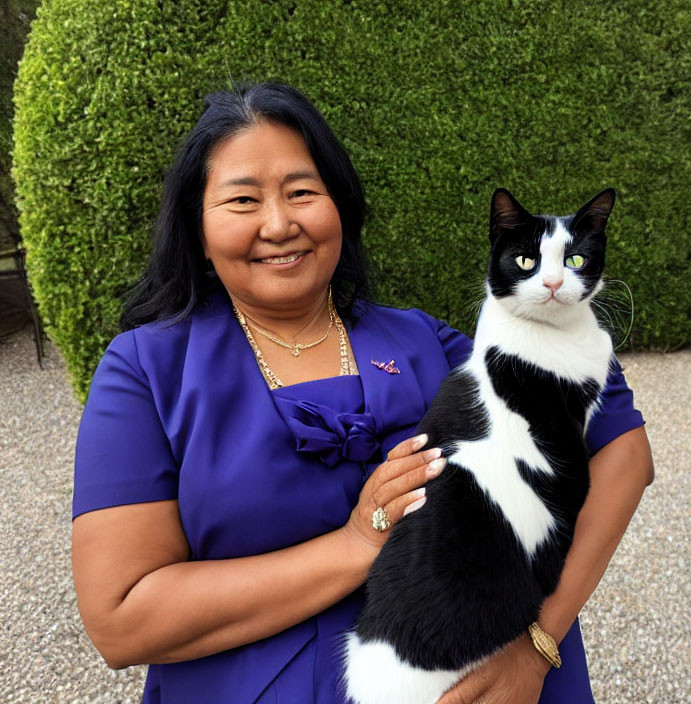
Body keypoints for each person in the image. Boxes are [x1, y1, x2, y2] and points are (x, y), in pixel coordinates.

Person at [72, 82, 654, 704]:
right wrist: (354, 546)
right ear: (198, 225)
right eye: (243, 199)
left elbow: (623, 449)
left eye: (302, 192)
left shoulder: (426, 340)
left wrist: (539, 642)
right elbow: (121, 618)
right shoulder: (145, 373)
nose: (279, 223)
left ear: (339, 207)